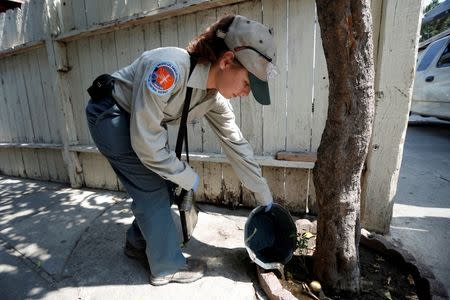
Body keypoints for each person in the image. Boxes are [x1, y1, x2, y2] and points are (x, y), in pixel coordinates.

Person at [85, 14, 278, 286]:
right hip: (111, 115)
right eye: (248, 83)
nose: (247, 93)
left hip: (137, 124)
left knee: (163, 184)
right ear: (226, 61)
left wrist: (265, 198)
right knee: (152, 189)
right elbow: (146, 144)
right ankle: (166, 267)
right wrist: (188, 177)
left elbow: (237, 144)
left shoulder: (213, 98)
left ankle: (137, 244)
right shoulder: (169, 69)